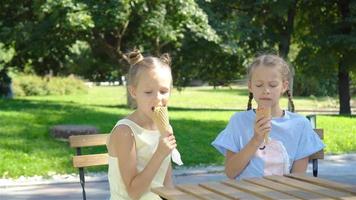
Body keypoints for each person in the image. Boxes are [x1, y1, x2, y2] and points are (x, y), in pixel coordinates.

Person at [212, 54, 324, 180]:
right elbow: (230, 173)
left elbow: (298, 178)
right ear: (250, 86)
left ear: (284, 86)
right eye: (259, 85)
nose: (266, 90)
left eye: (273, 85)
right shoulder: (238, 121)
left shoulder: (300, 125)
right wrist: (256, 139)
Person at [106, 50, 177, 200]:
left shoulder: (165, 128)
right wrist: (160, 153)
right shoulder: (125, 132)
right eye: (148, 92)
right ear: (133, 91)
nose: (158, 98)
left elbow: (167, 182)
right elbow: (133, 193)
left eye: (164, 91)